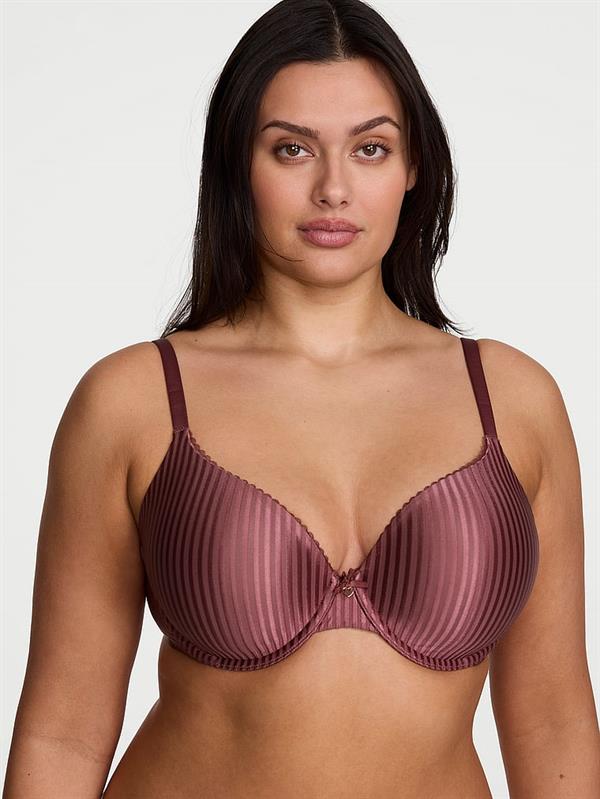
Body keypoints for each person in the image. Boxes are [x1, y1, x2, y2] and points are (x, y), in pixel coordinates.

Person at [4, 0, 599, 797]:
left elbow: (554, 719)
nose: (333, 189)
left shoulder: (515, 401)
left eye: (370, 148)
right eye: (292, 149)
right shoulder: (132, 402)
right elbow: (64, 730)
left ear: (413, 166)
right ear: (236, 164)